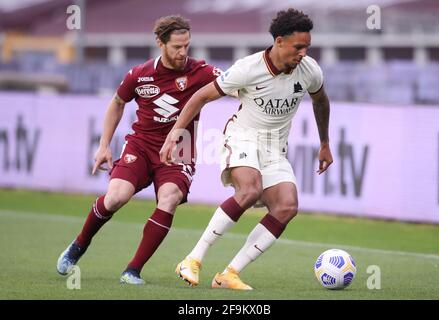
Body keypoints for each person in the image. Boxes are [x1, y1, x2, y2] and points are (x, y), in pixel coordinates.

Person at [160, 8, 333, 290]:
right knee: (250, 190)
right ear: (279, 41)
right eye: (298, 47)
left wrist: (325, 143)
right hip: (242, 137)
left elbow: (321, 101)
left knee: (287, 206)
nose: (303, 53)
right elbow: (200, 97)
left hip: (274, 148)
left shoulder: (309, 70)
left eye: (307, 47)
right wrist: (175, 134)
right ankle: (193, 259)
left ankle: (229, 273)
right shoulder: (248, 69)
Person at [56, 15, 226, 285]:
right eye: (176, 47)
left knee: (169, 198)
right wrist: (103, 146)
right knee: (116, 198)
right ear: (160, 43)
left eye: (187, 46)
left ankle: (132, 270)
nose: (183, 53)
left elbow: (234, 84)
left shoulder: (201, 72)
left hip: (178, 150)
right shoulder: (139, 74)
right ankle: (79, 244)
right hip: (141, 145)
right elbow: (117, 102)